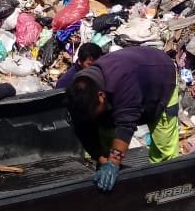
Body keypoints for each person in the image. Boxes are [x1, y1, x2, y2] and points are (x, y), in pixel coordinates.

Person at [66, 46, 179, 192]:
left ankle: (165, 188)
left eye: (93, 112)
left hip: (160, 79)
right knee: (103, 133)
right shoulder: (77, 90)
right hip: (123, 87)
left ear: (101, 96)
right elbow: (83, 128)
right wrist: (101, 159)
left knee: (164, 149)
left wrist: (113, 163)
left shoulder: (122, 81)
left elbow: (126, 125)